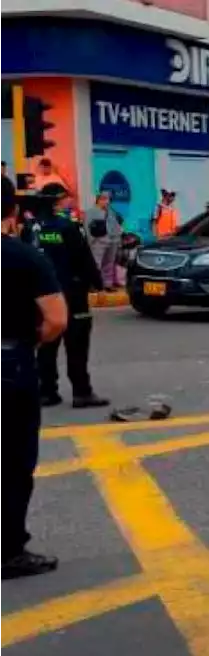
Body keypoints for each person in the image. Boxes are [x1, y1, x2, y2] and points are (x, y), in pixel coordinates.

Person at [1, 184, 68, 580]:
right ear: (11, 211)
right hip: (9, 363)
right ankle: (8, 550)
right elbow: (57, 318)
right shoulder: (24, 256)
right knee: (12, 459)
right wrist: (28, 341)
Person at [35, 185, 108, 408]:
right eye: (66, 198)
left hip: (43, 294)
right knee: (77, 344)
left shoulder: (34, 226)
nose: (69, 201)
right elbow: (83, 258)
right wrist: (98, 285)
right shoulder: (68, 226)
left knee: (47, 344)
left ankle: (47, 391)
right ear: (57, 201)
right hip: (72, 292)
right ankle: (81, 392)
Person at [86, 190, 124, 290]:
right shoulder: (91, 212)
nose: (106, 201)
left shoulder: (111, 212)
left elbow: (116, 226)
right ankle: (94, 284)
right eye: (103, 199)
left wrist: (118, 239)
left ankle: (107, 284)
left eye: (107, 199)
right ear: (98, 200)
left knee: (109, 263)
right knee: (96, 263)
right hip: (98, 241)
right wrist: (92, 240)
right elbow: (87, 227)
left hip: (112, 241)